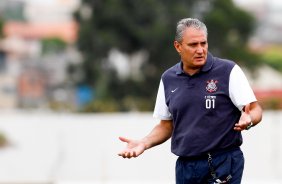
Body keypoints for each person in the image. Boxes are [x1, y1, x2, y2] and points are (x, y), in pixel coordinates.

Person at [118, 18, 262, 184]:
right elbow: (166, 125)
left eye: (203, 43)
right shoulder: (168, 78)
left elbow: (255, 110)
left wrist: (249, 119)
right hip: (185, 167)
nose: (200, 50)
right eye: (193, 45)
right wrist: (144, 143)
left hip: (222, 162)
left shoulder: (228, 71)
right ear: (178, 46)